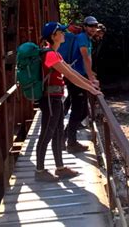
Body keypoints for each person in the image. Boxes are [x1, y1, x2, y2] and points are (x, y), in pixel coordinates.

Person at [35, 21, 101, 182]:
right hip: (49, 99)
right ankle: (39, 170)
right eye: (61, 32)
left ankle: (60, 168)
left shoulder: (55, 53)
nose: (64, 34)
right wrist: (91, 88)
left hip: (56, 98)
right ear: (53, 36)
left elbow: (72, 72)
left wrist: (90, 84)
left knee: (57, 132)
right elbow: (70, 76)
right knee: (46, 133)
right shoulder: (50, 55)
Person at [61, 16, 101, 153]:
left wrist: (90, 76)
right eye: (90, 26)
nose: (93, 28)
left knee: (82, 110)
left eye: (95, 26)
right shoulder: (83, 38)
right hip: (75, 77)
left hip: (78, 76)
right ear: (85, 27)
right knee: (79, 109)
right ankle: (71, 143)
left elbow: (86, 60)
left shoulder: (86, 38)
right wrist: (91, 79)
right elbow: (85, 58)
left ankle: (65, 136)